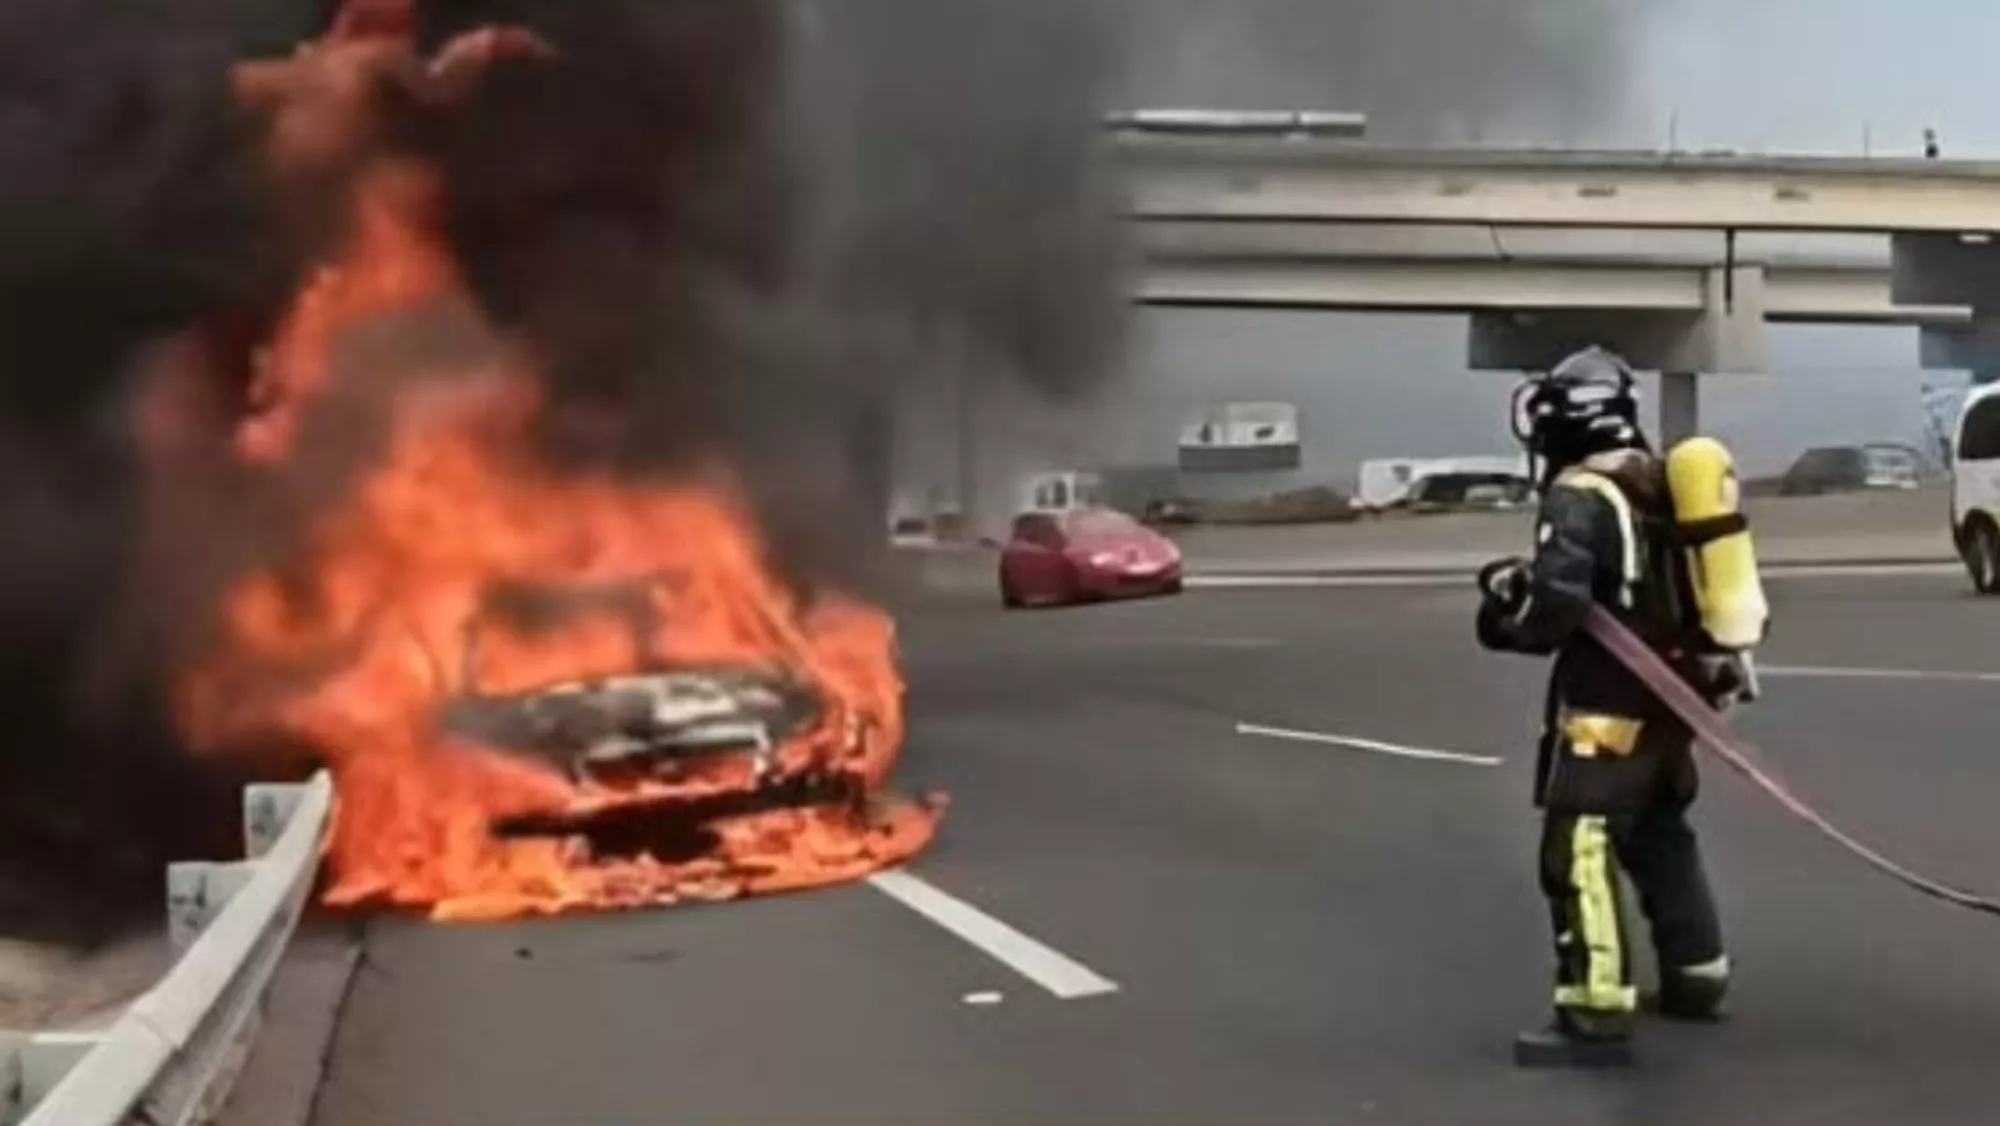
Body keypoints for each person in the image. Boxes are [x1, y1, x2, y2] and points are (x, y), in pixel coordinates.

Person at [1475, 346, 1752, 1067]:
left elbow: (1558, 604)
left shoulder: (1582, 491)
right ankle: (1699, 975)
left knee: (1580, 846)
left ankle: (1594, 1011)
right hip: (1674, 691)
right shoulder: (1657, 481)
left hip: (1609, 699)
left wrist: (1507, 614)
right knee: (1660, 831)